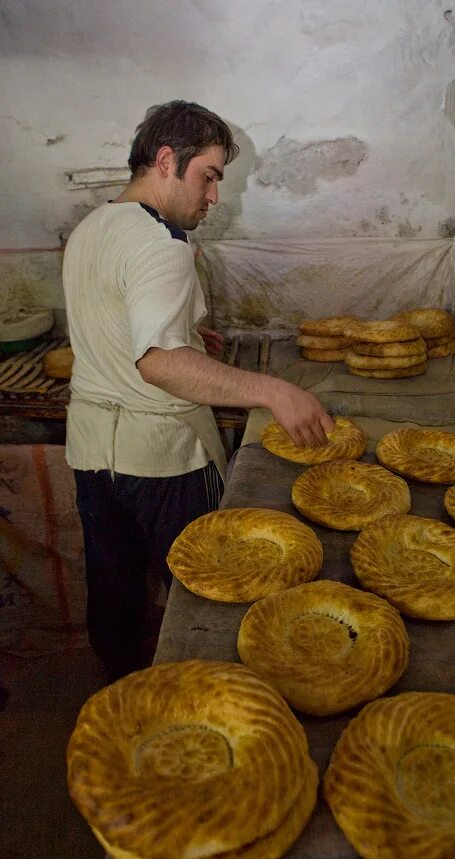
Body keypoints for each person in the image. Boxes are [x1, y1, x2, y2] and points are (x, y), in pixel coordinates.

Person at [62, 100, 333, 681]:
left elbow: (116, 328)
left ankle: (125, 691)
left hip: (92, 454)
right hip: (162, 460)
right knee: (208, 593)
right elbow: (158, 363)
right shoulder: (163, 243)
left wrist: (186, 334)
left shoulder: (92, 227)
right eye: (208, 176)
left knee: (114, 590)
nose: (213, 197)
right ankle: (211, 694)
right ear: (166, 161)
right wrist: (272, 391)